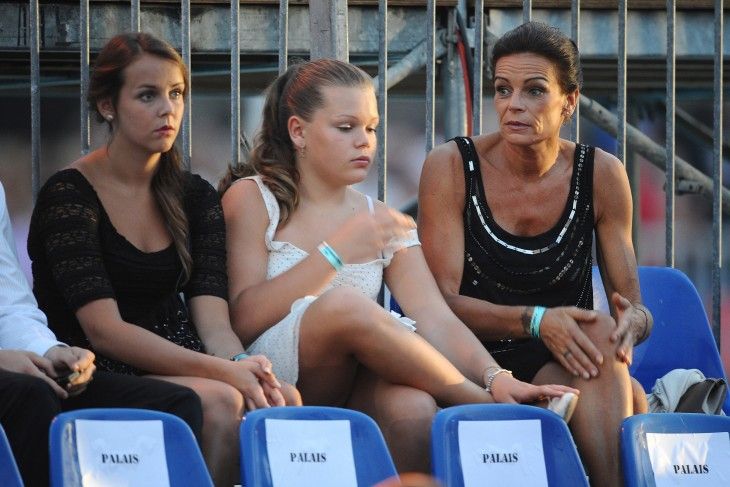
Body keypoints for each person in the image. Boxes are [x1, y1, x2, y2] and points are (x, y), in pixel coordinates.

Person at [219, 58, 578, 473]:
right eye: (345, 127)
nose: (364, 142)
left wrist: (498, 376)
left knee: (413, 408)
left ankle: (493, 400)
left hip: (354, 380)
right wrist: (335, 254)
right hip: (274, 374)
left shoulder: (380, 217)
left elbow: (434, 317)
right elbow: (242, 319)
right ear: (298, 131)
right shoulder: (252, 198)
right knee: (345, 306)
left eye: (370, 128)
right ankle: (486, 408)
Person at [27, 32, 300, 487]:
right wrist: (227, 373)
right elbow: (104, 332)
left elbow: (212, 320)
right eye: (147, 95)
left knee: (281, 398)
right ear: (107, 105)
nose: (167, 108)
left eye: (176, 94)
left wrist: (243, 366)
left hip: (182, 360)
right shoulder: (69, 194)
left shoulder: (195, 195)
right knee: (220, 400)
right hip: (91, 369)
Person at [418, 21, 653, 487]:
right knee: (632, 395)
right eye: (503, 90)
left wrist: (636, 325)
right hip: (467, 356)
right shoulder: (451, 166)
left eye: (534, 91)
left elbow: (633, 305)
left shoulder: (602, 174)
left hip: (561, 355)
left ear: (570, 101)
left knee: (609, 342)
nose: (513, 105)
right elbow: (440, 303)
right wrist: (538, 319)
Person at [0, 180, 204, 486]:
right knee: (34, 395)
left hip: (15, 367)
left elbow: (10, 302)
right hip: (14, 379)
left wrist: (51, 351)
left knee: (175, 404)